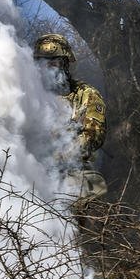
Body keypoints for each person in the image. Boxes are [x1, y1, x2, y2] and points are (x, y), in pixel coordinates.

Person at [33, 33, 108, 201]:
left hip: (72, 170)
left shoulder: (85, 94)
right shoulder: (30, 93)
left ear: (64, 64)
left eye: (53, 63)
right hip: (33, 168)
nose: (47, 69)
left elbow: (93, 136)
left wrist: (59, 155)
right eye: (42, 63)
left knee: (92, 186)